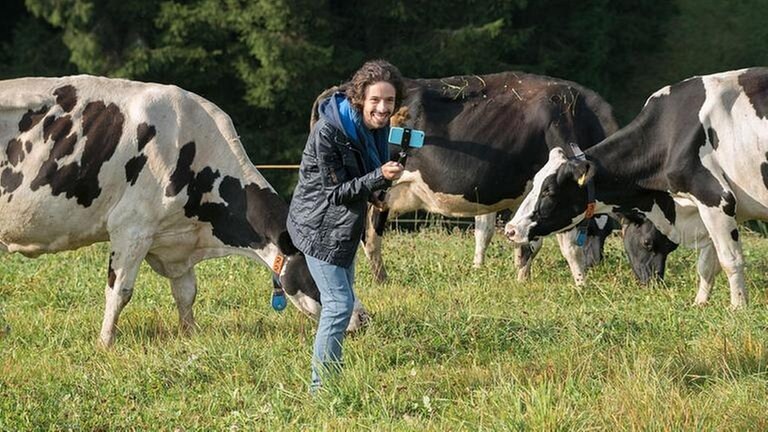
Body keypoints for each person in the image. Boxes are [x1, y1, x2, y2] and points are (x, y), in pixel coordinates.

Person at [287, 59, 405, 392]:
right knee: (339, 306)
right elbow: (336, 192)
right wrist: (378, 177)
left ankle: (330, 375)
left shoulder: (374, 130)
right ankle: (322, 389)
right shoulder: (329, 131)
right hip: (319, 227)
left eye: (389, 101)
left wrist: (378, 189)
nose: (383, 109)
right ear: (359, 100)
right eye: (376, 101)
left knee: (343, 301)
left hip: (344, 228)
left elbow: (362, 178)